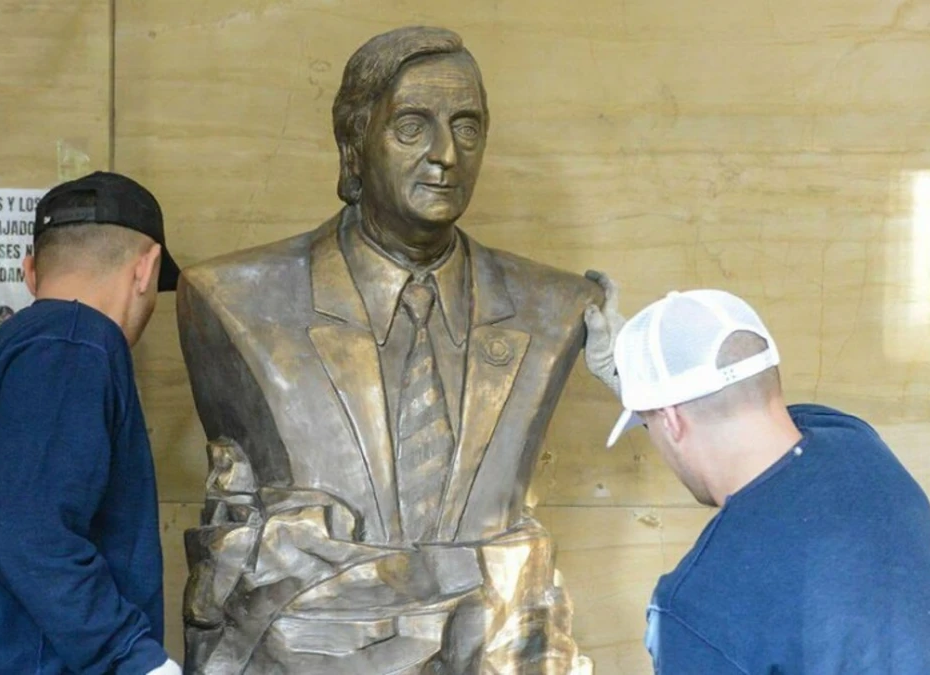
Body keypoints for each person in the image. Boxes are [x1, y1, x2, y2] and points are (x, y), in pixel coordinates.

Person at [175, 26, 609, 672]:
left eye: (467, 127)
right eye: (412, 126)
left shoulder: (553, 307)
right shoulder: (237, 299)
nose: (445, 155)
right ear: (353, 146)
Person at [587, 288, 930, 674]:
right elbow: (740, 418)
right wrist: (646, 380)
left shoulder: (694, 610)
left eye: (648, 422)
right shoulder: (855, 442)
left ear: (671, 420)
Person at [0, 172, 184, 675]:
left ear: (30, 272)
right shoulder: (76, 344)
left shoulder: (1, 356)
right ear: (146, 268)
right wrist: (135, 658)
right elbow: (21, 528)